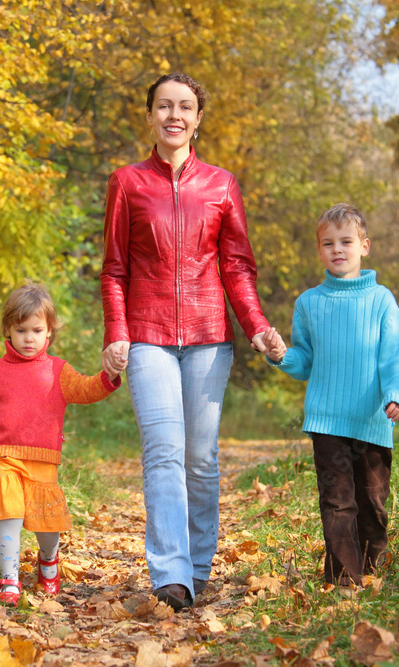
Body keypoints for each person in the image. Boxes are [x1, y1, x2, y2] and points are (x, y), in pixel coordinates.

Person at [100, 72, 272, 611]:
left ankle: (199, 566)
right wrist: (116, 333)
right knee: (164, 453)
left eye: (185, 107)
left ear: (198, 119)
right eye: (164, 106)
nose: (174, 115)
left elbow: (237, 265)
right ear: (150, 115)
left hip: (208, 336)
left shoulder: (221, 184)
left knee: (200, 458)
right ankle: (171, 575)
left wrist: (257, 326)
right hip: (147, 334)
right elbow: (113, 269)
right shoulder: (127, 182)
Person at [262, 202, 399, 588]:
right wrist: (281, 355)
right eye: (328, 243)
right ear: (319, 251)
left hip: (372, 420)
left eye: (346, 241)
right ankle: (344, 579)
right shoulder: (309, 303)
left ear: (365, 246)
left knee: (372, 505)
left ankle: (370, 571)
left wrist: (397, 394)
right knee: (337, 501)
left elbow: (396, 356)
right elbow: (305, 361)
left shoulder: (381, 301)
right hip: (327, 419)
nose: (338, 249)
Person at [0, 283, 122, 605]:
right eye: (21, 330)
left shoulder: (58, 370)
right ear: (8, 329)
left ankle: (48, 561)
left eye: (37, 330)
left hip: (43, 461)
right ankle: (10, 580)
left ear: (49, 332)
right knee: (11, 517)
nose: (29, 338)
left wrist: (108, 377)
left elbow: (86, 390)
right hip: (4, 458)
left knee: (46, 526)